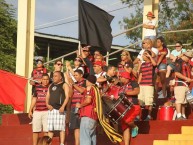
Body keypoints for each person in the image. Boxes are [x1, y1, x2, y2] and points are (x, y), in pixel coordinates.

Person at [46, 71, 70, 145]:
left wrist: (63, 106)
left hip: (60, 110)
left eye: (56, 76)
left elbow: (67, 97)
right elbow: (47, 96)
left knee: (61, 128)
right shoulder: (51, 85)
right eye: (53, 76)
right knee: (50, 129)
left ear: (60, 77)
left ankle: (62, 143)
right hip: (51, 109)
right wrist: (47, 104)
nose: (54, 77)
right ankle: (48, 143)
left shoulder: (64, 85)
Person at [118, 71, 140, 145]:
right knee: (125, 126)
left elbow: (137, 91)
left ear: (126, 78)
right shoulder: (121, 86)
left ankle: (134, 127)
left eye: (121, 77)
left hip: (133, 106)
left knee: (127, 121)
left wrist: (126, 93)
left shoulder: (133, 83)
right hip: (124, 108)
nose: (120, 78)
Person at [75, 75, 98, 145]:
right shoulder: (95, 89)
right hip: (93, 117)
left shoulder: (90, 88)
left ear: (88, 81)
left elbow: (88, 100)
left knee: (85, 138)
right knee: (92, 138)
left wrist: (80, 105)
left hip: (87, 116)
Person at [28, 73, 50, 145]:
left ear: (49, 80)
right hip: (37, 111)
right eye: (44, 79)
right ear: (41, 80)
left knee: (46, 130)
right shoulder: (37, 88)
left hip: (47, 111)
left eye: (47, 79)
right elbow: (34, 99)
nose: (45, 81)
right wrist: (30, 110)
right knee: (35, 130)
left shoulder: (51, 88)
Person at [174, 50, 193, 120]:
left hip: (185, 85)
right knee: (179, 100)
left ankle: (183, 115)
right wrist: (186, 78)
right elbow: (176, 73)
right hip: (180, 84)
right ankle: (179, 115)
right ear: (185, 56)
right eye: (189, 57)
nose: (189, 59)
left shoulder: (187, 63)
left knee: (184, 101)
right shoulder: (179, 62)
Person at [138, 50, 157, 121]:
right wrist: (138, 83)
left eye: (144, 54)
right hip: (142, 84)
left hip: (149, 84)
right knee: (140, 101)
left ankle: (149, 115)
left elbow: (155, 64)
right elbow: (141, 74)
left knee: (149, 101)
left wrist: (150, 56)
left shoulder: (151, 63)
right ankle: (138, 116)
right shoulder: (142, 64)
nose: (142, 56)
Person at [68, 69, 86, 145]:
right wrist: (71, 86)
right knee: (76, 127)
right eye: (74, 75)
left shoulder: (85, 82)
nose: (75, 77)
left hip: (82, 107)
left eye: (76, 75)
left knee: (83, 127)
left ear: (81, 75)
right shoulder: (74, 83)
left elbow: (82, 91)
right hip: (73, 107)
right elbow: (70, 95)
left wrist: (74, 85)